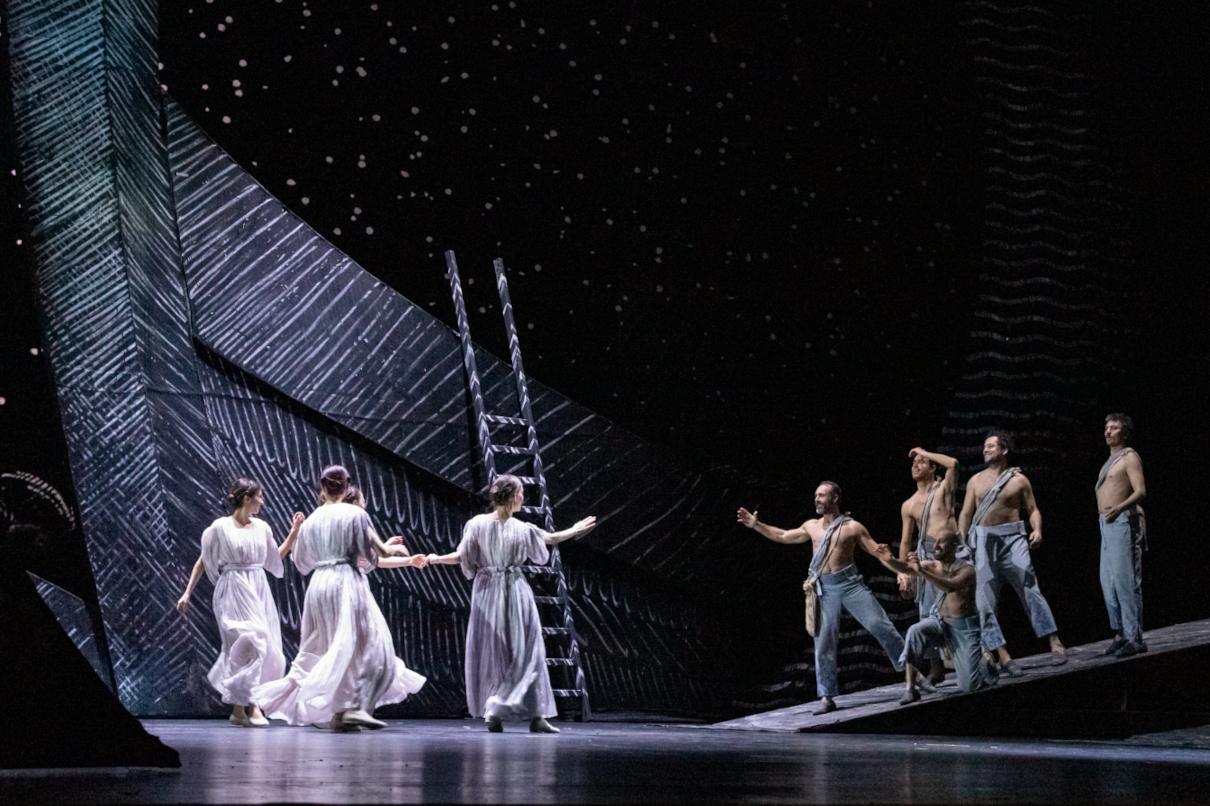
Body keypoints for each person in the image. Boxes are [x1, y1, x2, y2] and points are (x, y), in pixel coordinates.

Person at [252, 465, 426, 732]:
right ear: (346, 487)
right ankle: (353, 705)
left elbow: (302, 564)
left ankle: (340, 713)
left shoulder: (311, 521)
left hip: (320, 585)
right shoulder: (355, 514)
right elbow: (375, 554)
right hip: (345, 580)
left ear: (323, 488)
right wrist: (395, 550)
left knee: (332, 644)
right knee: (368, 642)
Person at [424, 474, 596, 733]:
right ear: (513, 496)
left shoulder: (520, 528)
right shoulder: (480, 525)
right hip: (496, 592)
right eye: (521, 493)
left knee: (526, 650)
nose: (523, 498)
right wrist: (437, 559)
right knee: (500, 652)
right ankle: (495, 709)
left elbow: (549, 538)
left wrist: (574, 530)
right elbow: (462, 554)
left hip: (509, 592)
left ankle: (535, 715)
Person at [738, 482, 906, 715]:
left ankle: (912, 672)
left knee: (881, 625)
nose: (817, 499)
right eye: (816, 495)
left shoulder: (852, 527)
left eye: (822, 495)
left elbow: (878, 552)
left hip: (850, 585)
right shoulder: (811, 526)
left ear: (835, 498)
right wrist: (757, 525)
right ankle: (827, 696)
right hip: (824, 589)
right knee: (823, 643)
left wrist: (900, 571)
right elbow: (784, 535)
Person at [176, 479, 304, 727]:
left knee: (255, 646)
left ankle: (239, 710)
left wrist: (293, 534)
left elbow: (273, 558)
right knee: (248, 642)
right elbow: (203, 561)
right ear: (246, 498)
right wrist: (187, 593)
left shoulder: (262, 527)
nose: (262, 501)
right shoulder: (220, 528)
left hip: (258, 588)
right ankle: (253, 707)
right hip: (232, 588)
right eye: (259, 496)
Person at [958, 430, 1064, 676]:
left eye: (991, 446)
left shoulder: (1019, 480)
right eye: (984, 446)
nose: (985, 450)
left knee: (1030, 590)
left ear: (1004, 450)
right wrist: (962, 541)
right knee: (984, 600)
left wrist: (1037, 529)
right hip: (984, 541)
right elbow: (965, 513)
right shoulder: (975, 481)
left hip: (1013, 539)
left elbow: (1033, 509)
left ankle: (1054, 641)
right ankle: (996, 652)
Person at [874, 533, 997, 703]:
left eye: (942, 542)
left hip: (963, 629)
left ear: (954, 547)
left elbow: (950, 586)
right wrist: (888, 559)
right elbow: (906, 568)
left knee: (969, 686)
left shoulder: (967, 570)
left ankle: (986, 661)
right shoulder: (931, 565)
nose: (936, 545)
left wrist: (922, 571)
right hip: (940, 623)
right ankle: (910, 689)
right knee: (915, 631)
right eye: (936, 541)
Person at [898, 447, 963, 684]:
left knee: (958, 608)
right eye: (913, 462)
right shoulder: (909, 504)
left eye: (921, 461)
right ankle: (936, 668)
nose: (915, 465)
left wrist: (924, 451)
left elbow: (953, 464)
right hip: (926, 556)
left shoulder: (943, 490)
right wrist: (903, 573)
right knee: (926, 612)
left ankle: (973, 657)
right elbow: (906, 541)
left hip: (951, 555)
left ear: (933, 467)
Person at [1097, 413, 1147, 657]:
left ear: (1124, 433)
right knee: (1108, 583)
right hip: (1106, 524)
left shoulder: (1129, 457)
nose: (1108, 431)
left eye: (1114, 428)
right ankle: (1121, 633)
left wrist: (1120, 507)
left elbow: (1140, 491)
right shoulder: (1110, 460)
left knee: (1126, 583)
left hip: (1122, 521)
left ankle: (1135, 638)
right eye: (1107, 427)